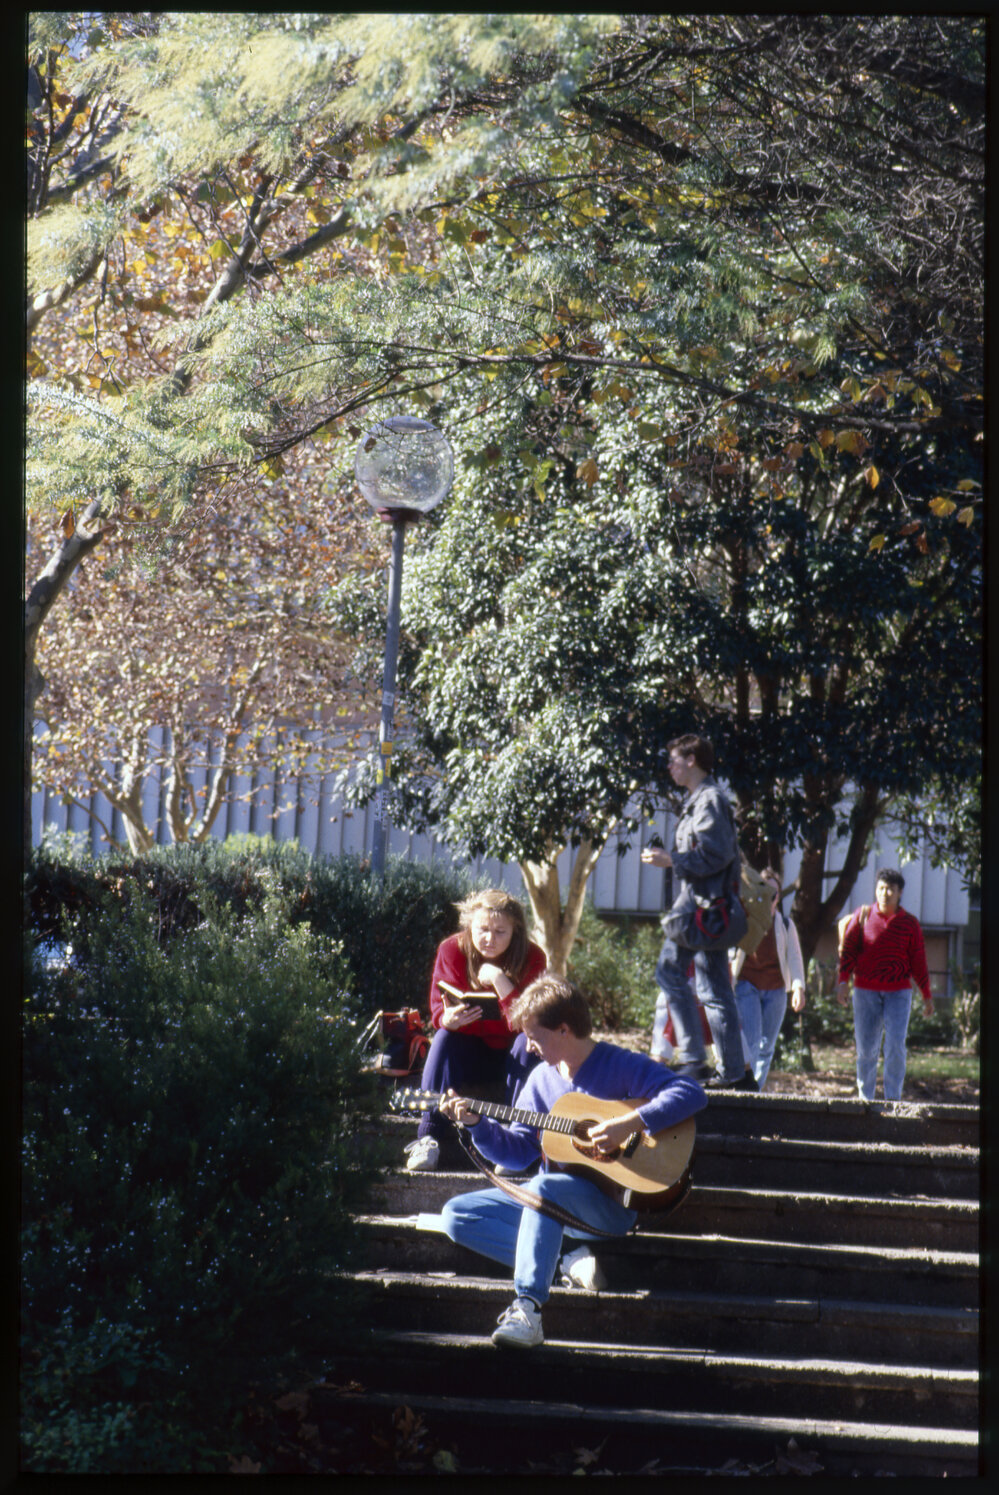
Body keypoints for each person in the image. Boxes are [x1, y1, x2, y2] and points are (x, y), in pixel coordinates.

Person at [430, 974, 706, 1348]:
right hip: (551, 1205)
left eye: (535, 1036)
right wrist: (476, 1125)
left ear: (564, 1030)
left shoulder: (619, 1064)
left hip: (610, 1205)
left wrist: (628, 1123)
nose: (528, 1047)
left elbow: (690, 1092)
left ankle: (528, 1309)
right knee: (457, 1215)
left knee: (544, 1188)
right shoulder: (540, 1081)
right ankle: (563, 1259)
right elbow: (518, 1151)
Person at [403, 888, 547, 1171]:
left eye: (500, 932)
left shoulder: (533, 957)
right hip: (468, 1053)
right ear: (470, 925)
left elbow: (529, 1021)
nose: (489, 939)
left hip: (512, 1055)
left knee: (526, 1042)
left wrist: (498, 978)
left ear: (515, 931)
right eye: (482, 929)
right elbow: (437, 1010)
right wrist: (448, 1019)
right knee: (443, 1037)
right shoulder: (452, 950)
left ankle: (514, 1141)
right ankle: (429, 1135)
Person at [641, 733, 753, 1090]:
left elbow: (715, 854)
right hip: (707, 909)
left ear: (692, 759)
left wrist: (671, 859)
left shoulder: (709, 801)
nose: (670, 767)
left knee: (671, 972)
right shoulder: (702, 800)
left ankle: (694, 1059)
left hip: (701, 908)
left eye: (674, 760)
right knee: (715, 988)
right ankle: (734, 1071)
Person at [836, 867, 934, 1102]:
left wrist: (926, 994)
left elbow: (918, 960)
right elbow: (848, 951)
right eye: (881, 888)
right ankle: (865, 1100)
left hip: (898, 993)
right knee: (866, 1049)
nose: (885, 893)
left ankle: (893, 1100)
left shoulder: (910, 924)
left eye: (891, 889)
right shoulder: (863, 916)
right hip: (865, 991)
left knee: (895, 1047)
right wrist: (843, 982)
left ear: (900, 892)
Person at [730, 868, 806, 1090]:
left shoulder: (784, 924)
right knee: (752, 1040)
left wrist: (798, 987)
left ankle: (756, 1089)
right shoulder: (745, 918)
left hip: (775, 989)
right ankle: (746, 1088)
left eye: (774, 893)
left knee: (767, 1046)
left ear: (778, 898)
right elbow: (731, 952)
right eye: (764, 890)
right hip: (747, 985)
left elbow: (794, 956)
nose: (768, 898)